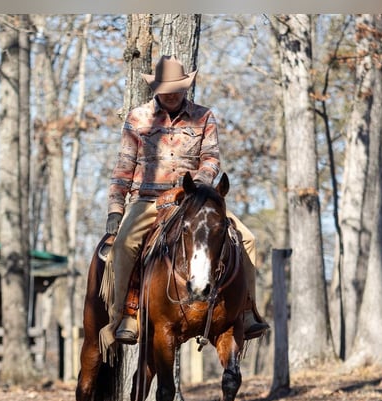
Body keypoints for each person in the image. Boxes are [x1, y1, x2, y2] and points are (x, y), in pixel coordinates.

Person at [99, 55, 269, 348]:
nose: (172, 93)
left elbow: (212, 157)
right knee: (126, 243)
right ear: (156, 89)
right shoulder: (138, 118)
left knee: (248, 238)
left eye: (177, 87)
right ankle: (124, 315)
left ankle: (246, 309)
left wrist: (201, 181)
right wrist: (116, 207)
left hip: (192, 197)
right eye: (166, 88)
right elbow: (124, 166)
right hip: (149, 199)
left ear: (185, 87)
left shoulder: (204, 116)